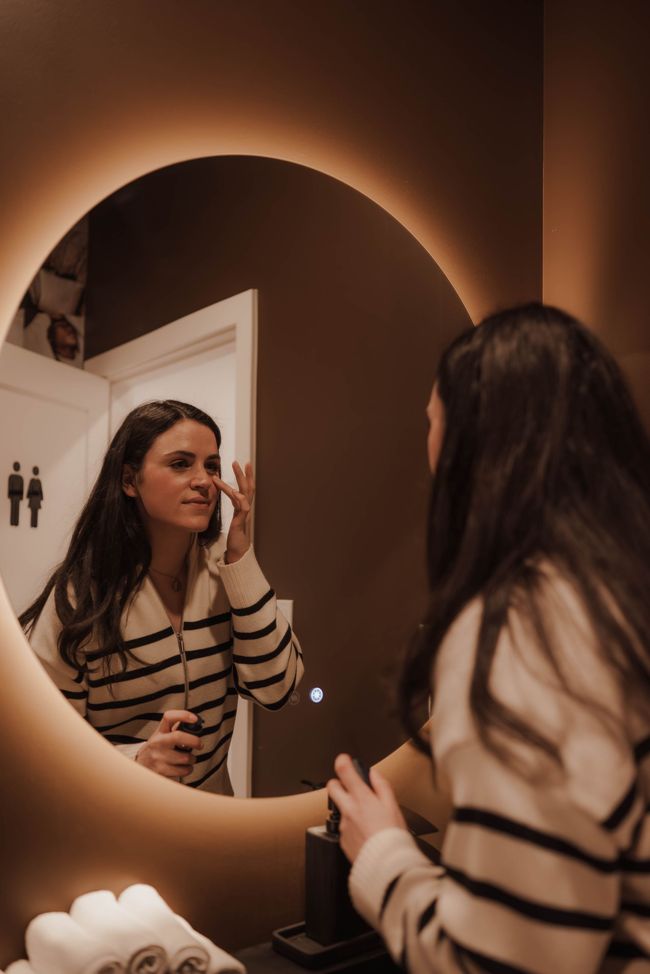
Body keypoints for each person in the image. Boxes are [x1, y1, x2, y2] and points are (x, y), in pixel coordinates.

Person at [328, 304, 650, 972]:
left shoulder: (527, 636)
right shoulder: (617, 601)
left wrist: (383, 853)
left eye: (432, 423)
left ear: (475, 446)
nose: (429, 452)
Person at [21, 399, 303, 794]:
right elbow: (40, 743)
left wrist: (240, 557)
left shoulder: (227, 570)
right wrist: (137, 760)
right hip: (118, 821)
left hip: (212, 820)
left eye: (212, 466)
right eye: (180, 464)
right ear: (129, 481)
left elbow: (278, 689)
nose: (204, 481)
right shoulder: (80, 594)